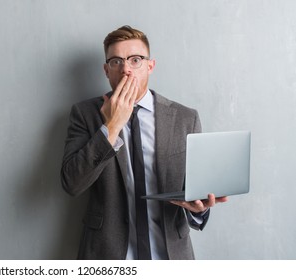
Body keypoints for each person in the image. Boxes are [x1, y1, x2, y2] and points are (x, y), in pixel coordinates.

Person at [60, 25, 227, 260]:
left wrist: (199, 209)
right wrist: (111, 126)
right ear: (106, 70)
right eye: (116, 62)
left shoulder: (186, 118)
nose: (126, 69)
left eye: (135, 60)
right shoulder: (84, 114)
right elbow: (72, 183)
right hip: (107, 255)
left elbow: (195, 189)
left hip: (171, 255)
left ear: (150, 66)